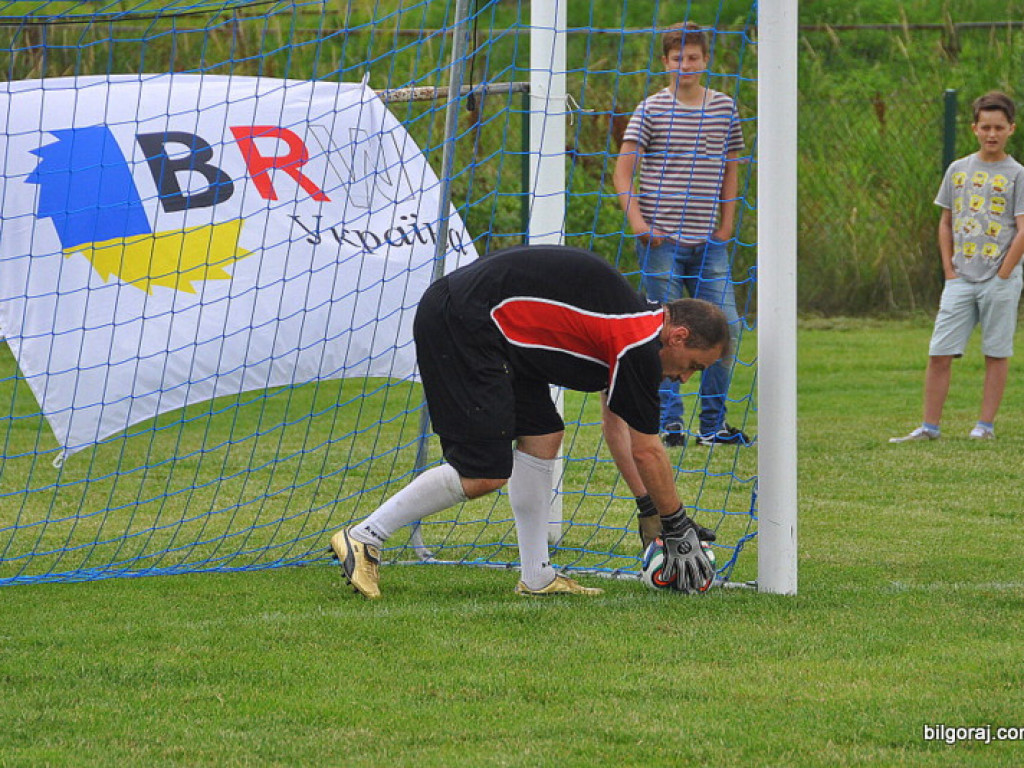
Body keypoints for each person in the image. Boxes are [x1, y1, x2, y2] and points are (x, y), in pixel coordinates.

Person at [330, 244, 728, 599]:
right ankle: (365, 536)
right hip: (465, 322)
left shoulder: (634, 328)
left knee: (544, 436)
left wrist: (648, 506)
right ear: (678, 336)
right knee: (483, 471)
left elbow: (618, 427)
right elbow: (647, 450)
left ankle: (537, 576)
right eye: (693, 365)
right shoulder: (638, 344)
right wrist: (676, 523)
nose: (685, 378)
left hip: (496, 334)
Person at [613, 21, 748, 448]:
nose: (685, 65)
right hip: (661, 241)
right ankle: (668, 423)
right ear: (665, 63)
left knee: (728, 327)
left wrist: (726, 224)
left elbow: (731, 168)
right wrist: (638, 222)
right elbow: (623, 170)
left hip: (708, 242)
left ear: (705, 61)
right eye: (677, 58)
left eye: (693, 57)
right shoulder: (651, 109)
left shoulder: (725, 108)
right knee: (663, 332)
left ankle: (713, 425)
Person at [891, 91, 1024, 443]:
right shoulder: (958, 170)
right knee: (939, 351)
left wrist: (1004, 273)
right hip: (961, 278)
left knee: (995, 352)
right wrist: (950, 272)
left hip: (1000, 278)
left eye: (999, 127)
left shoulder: (1017, 174)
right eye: (985, 127)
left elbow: (1022, 228)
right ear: (974, 128)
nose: (991, 134)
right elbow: (946, 222)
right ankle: (929, 426)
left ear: (1011, 128)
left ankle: (985, 426)